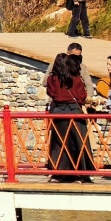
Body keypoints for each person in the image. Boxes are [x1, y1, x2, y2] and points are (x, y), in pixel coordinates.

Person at [43, 44, 94, 181]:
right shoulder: (75, 79)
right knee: (79, 141)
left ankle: (60, 171)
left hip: (58, 111)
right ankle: (82, 171)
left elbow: (50, 91)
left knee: (59, 143)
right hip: (74, 111)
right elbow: (82, 95)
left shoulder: (52, 79)